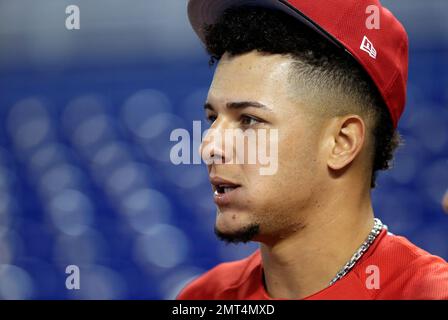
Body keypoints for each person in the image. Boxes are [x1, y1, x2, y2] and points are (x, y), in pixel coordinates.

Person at [177, 0, 448, 299]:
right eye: (213, 119)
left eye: (249, 120)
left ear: (341, 143)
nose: (208, 147)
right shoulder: (204, 297)